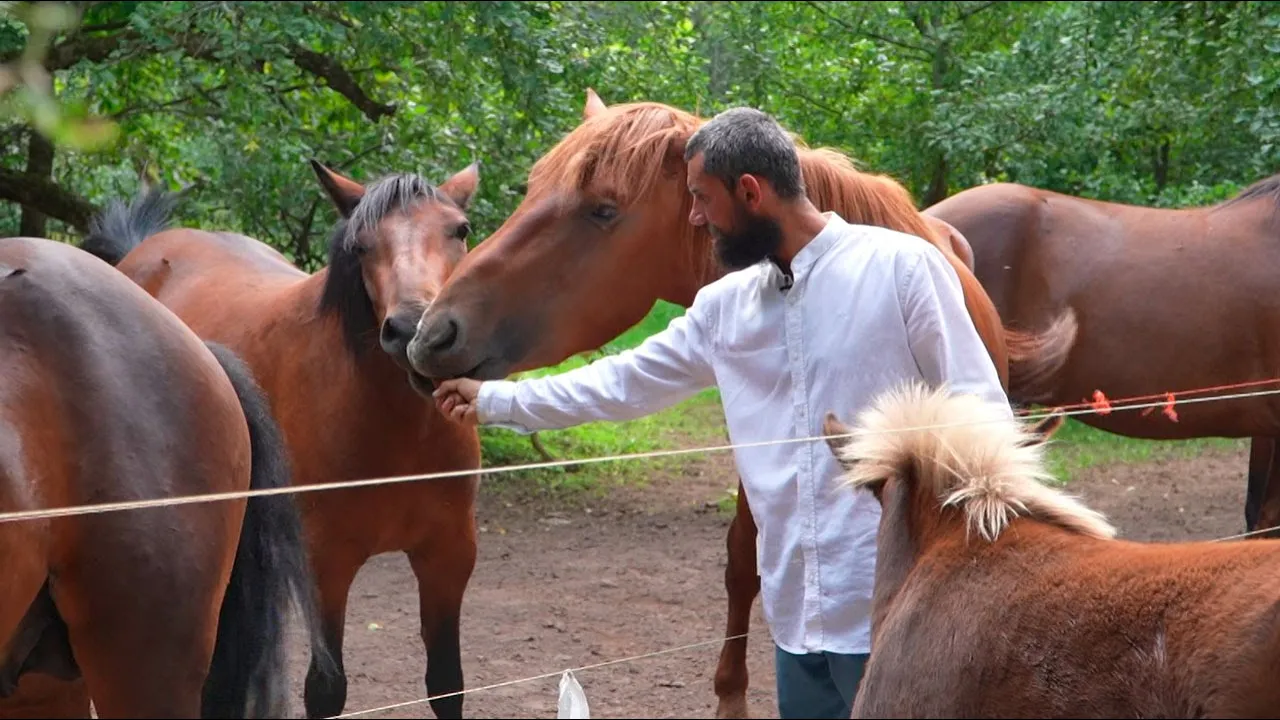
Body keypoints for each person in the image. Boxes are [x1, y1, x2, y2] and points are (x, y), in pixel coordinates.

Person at [432, 107, 1013, 719]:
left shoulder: (903, 269)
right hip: (795, 620)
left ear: (751, 193)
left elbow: (983, 419)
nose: (694, 217)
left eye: (702, 198)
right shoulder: (726, 307)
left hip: (897, 613)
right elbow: (624, 382)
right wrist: (494, 400)